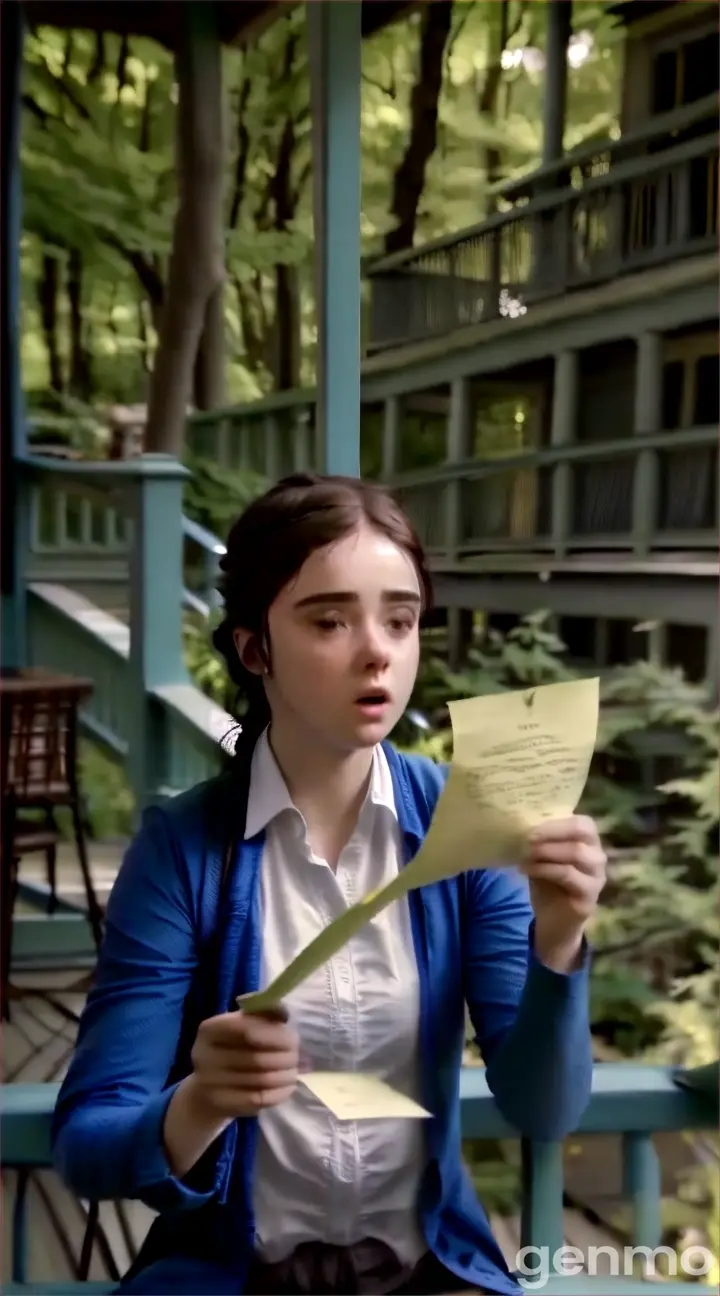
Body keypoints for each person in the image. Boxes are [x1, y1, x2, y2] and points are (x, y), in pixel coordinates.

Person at [51, 473, 607, 1296]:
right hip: (232, 1276)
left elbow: (543, 1108)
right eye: (330, 619)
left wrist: (557, 939)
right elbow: (89, 1145)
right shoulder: (184, 850)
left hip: (429, 1273)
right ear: (254, 648)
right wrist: (203, 1098)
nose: (377, 649)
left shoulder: (467, 829)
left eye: (401, 618)